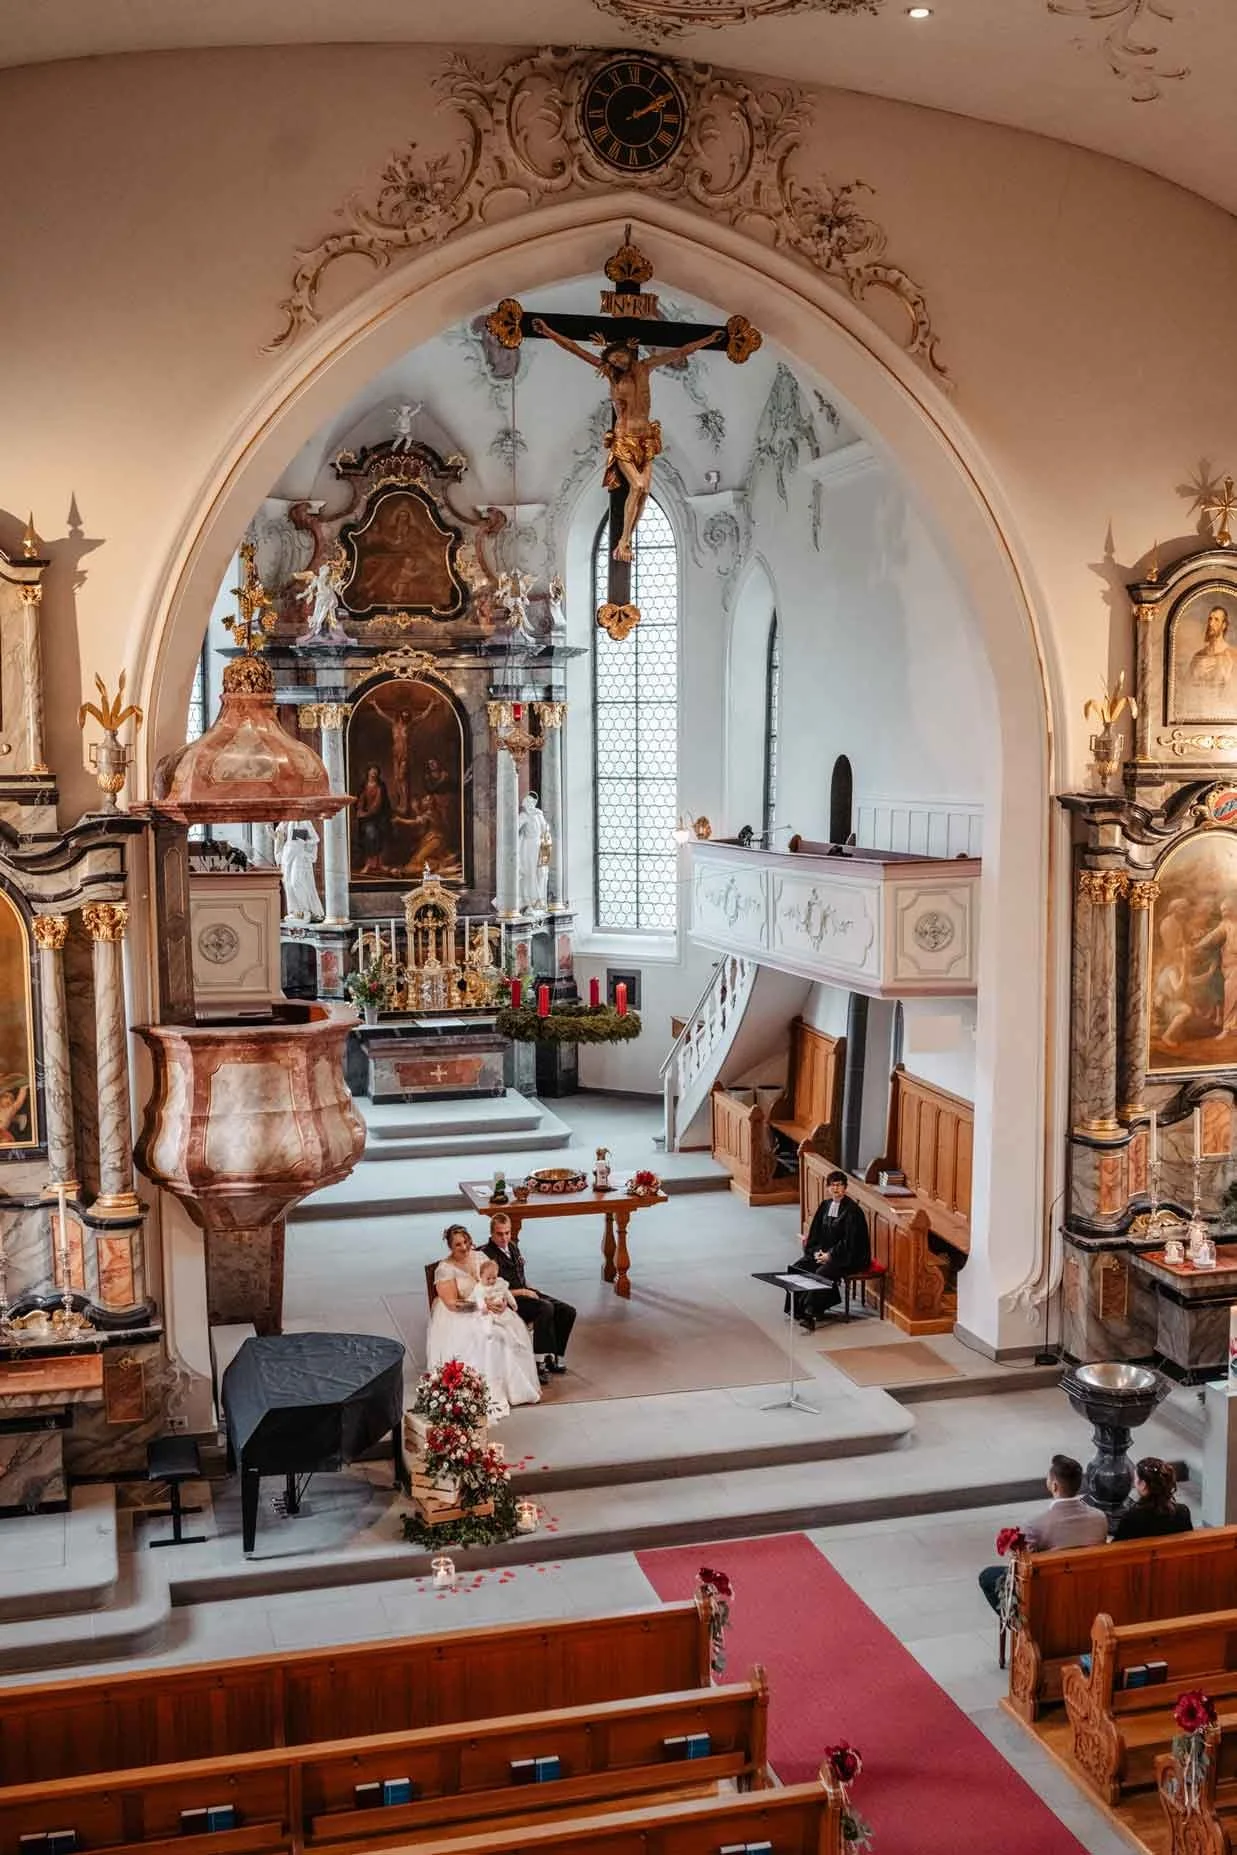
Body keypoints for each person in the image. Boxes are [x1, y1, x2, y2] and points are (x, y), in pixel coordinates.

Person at [424, 1224, 540, 1417]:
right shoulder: (445, 1269)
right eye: (458, 1244)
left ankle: (518, 1389)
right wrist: (481, 1305)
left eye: (466, 1242)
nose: (464, 1247)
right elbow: (452, 1304)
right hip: (461, 1314)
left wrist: (502, 1301)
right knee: (490, 1338)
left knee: (511, 1331)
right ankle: (490, 1391)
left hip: (489, 1307)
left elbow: (497, 1284)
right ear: (450, 1247)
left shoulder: (480, 1258)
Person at [977, 1453, 1107, 1613]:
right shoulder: (1099, 1518)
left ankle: (1022, 1627)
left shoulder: (1035, 1523)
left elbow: (1023, 1569)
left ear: (1054, 1486)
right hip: (1089, 1586)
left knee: (988, 1576)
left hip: (1050, 1593)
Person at [483, 1212, 576, 1384]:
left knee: (567, 1311)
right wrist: (523, 1292)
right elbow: (491, 1288)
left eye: (507, 1233)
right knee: (546, 1308)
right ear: (491, 1233)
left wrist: (530, 1289)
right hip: (510, 1299)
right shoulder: (486, 1254)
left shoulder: (512, 1247)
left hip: (526, 1291)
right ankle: (537, 1362)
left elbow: (519, 1274)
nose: (504, 1238)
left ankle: (551, 1356)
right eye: (499, 1234)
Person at [783, 1169, 870, 1330]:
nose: (836, 1189)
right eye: (832, 1185)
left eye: (839, 1185)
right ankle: (797, 1309)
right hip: (824, 1253)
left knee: (821, 1273)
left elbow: (850, 1241)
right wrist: (816, 1252)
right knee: (798, 1267)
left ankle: (810, 1313)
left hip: (847, 1257)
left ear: (845, 1188)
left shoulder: (853, 1211)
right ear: (828, 1188)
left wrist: (830, 1255)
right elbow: (815, 1233)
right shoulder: (825, 1206)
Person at [1111, 1457, 1193, 1541]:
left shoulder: (1132, 1517)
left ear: (1143, 1484)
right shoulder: (1182, 1512)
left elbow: (1117, 1548)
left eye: (1135, 1479)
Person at [355, 763, 392, 875]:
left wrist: (373, 813)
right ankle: (369, 863)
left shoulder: (381, 786)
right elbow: (359, 802)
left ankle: (379, 863)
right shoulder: (363, 786)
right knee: (370, 835)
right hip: (366, 819)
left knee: (379, 835)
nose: (374, 773)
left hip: (379, 817)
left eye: (375, 771)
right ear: (368, 772)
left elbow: (382, 804)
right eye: (372, 771)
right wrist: (362, 812)